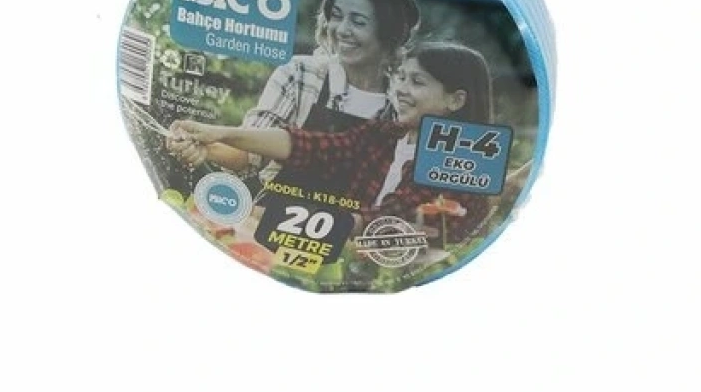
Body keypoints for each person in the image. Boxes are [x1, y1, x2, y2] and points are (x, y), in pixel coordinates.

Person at [169, 42, 493, 245]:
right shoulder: (385, 134)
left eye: (417, 82)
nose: (402, 90)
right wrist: (217, 134)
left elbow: (381, 219)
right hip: (342, 248)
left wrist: (254, 216)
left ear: (455, 100)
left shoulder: (461, 164)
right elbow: (311, 147)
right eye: (402, 78)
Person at [169, 0, 420, 184]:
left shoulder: (405, 103)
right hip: (271, 217)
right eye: (336, 16)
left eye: (358, 22)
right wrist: (205, 147)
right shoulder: (300, 74)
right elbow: (248, 155)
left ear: (390, 33)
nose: (342, 30)